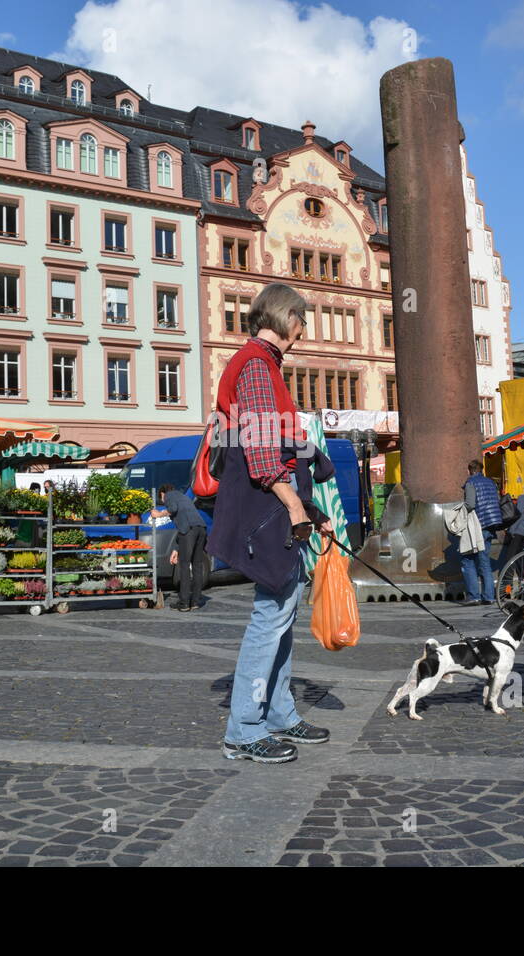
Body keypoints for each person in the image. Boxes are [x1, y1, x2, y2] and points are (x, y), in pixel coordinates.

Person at [206, 282, 335, 764]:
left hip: (273, 511)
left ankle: (279, 713)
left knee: (281, 618)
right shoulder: (258, 366)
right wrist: (298, 508)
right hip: (268, 514)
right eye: (301, 319)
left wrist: (311, 506)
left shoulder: (260, 365)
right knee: (270, 619)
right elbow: (263, 456)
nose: (302, 330)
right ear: (286, 318)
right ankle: (243, 729)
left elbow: (277, 446)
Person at [157, 483, 209, 611]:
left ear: (163, 493)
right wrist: (175, 549)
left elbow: (173, 509)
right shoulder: (184, 497)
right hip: (201, 529)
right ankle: (195, 601)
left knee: (184, 566)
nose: (163, 502)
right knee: (197, 565)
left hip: (189, 531)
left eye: (162, 499)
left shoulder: (169, 496)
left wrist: (158, 514)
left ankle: (184, 602)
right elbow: (181, 529)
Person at [459, 459, 502, 606]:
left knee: (468, 559)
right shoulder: (490, 482)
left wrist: (460, 511)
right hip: (491, 525)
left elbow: (470, 504)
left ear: (470, 470)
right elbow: (497, 500)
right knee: (484, 561)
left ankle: (473, 596)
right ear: (481, 469)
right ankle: (489, 596)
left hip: (478, 526)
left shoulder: (471, 483)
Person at [495, 480, 524, 572]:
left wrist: (511, 530)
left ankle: (507, 584)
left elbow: (519, 516)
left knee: (510, 559)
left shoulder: (522, 498)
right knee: (523, 560)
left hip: (518, 532)